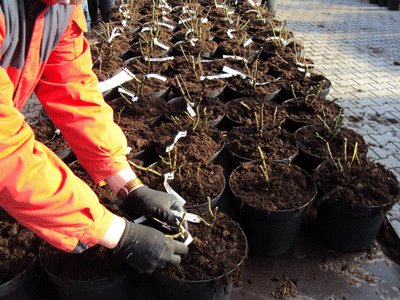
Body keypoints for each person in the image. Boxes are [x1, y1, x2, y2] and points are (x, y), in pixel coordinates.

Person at [0, 0, 188, 274]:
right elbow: (6, 152)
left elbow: (73, 91)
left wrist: (128, 184)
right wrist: (118, 234)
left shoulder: (61, 6)